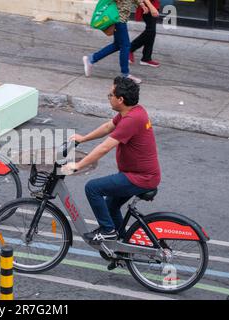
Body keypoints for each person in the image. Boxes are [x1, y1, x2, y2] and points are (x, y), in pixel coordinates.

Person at [63, 76, 161, 242]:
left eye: (110, 95)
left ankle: (108, 231)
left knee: (93, 188)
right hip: (137, 174)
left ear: (120, 99)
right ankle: (122, 243)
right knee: (111, 205)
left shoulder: (131, 120)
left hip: (140, 178)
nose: (109, 98)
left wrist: (78, 165)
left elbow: (105, 147)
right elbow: (108, 126)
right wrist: (83, 138)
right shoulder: (133, 111)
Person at [83, 0, 148, 84]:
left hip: (121, 17)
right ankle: (125, 74)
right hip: (117, 17)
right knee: (125, 45)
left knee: (117, 45)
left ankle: (91, 59)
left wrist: (142, 5)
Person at [129, 0, 161, 67]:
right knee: (150, 31)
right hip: (148, 5)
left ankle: (146, 58)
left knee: (151, 32)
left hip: (153, 4)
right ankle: (130, 49)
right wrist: (151, 7)